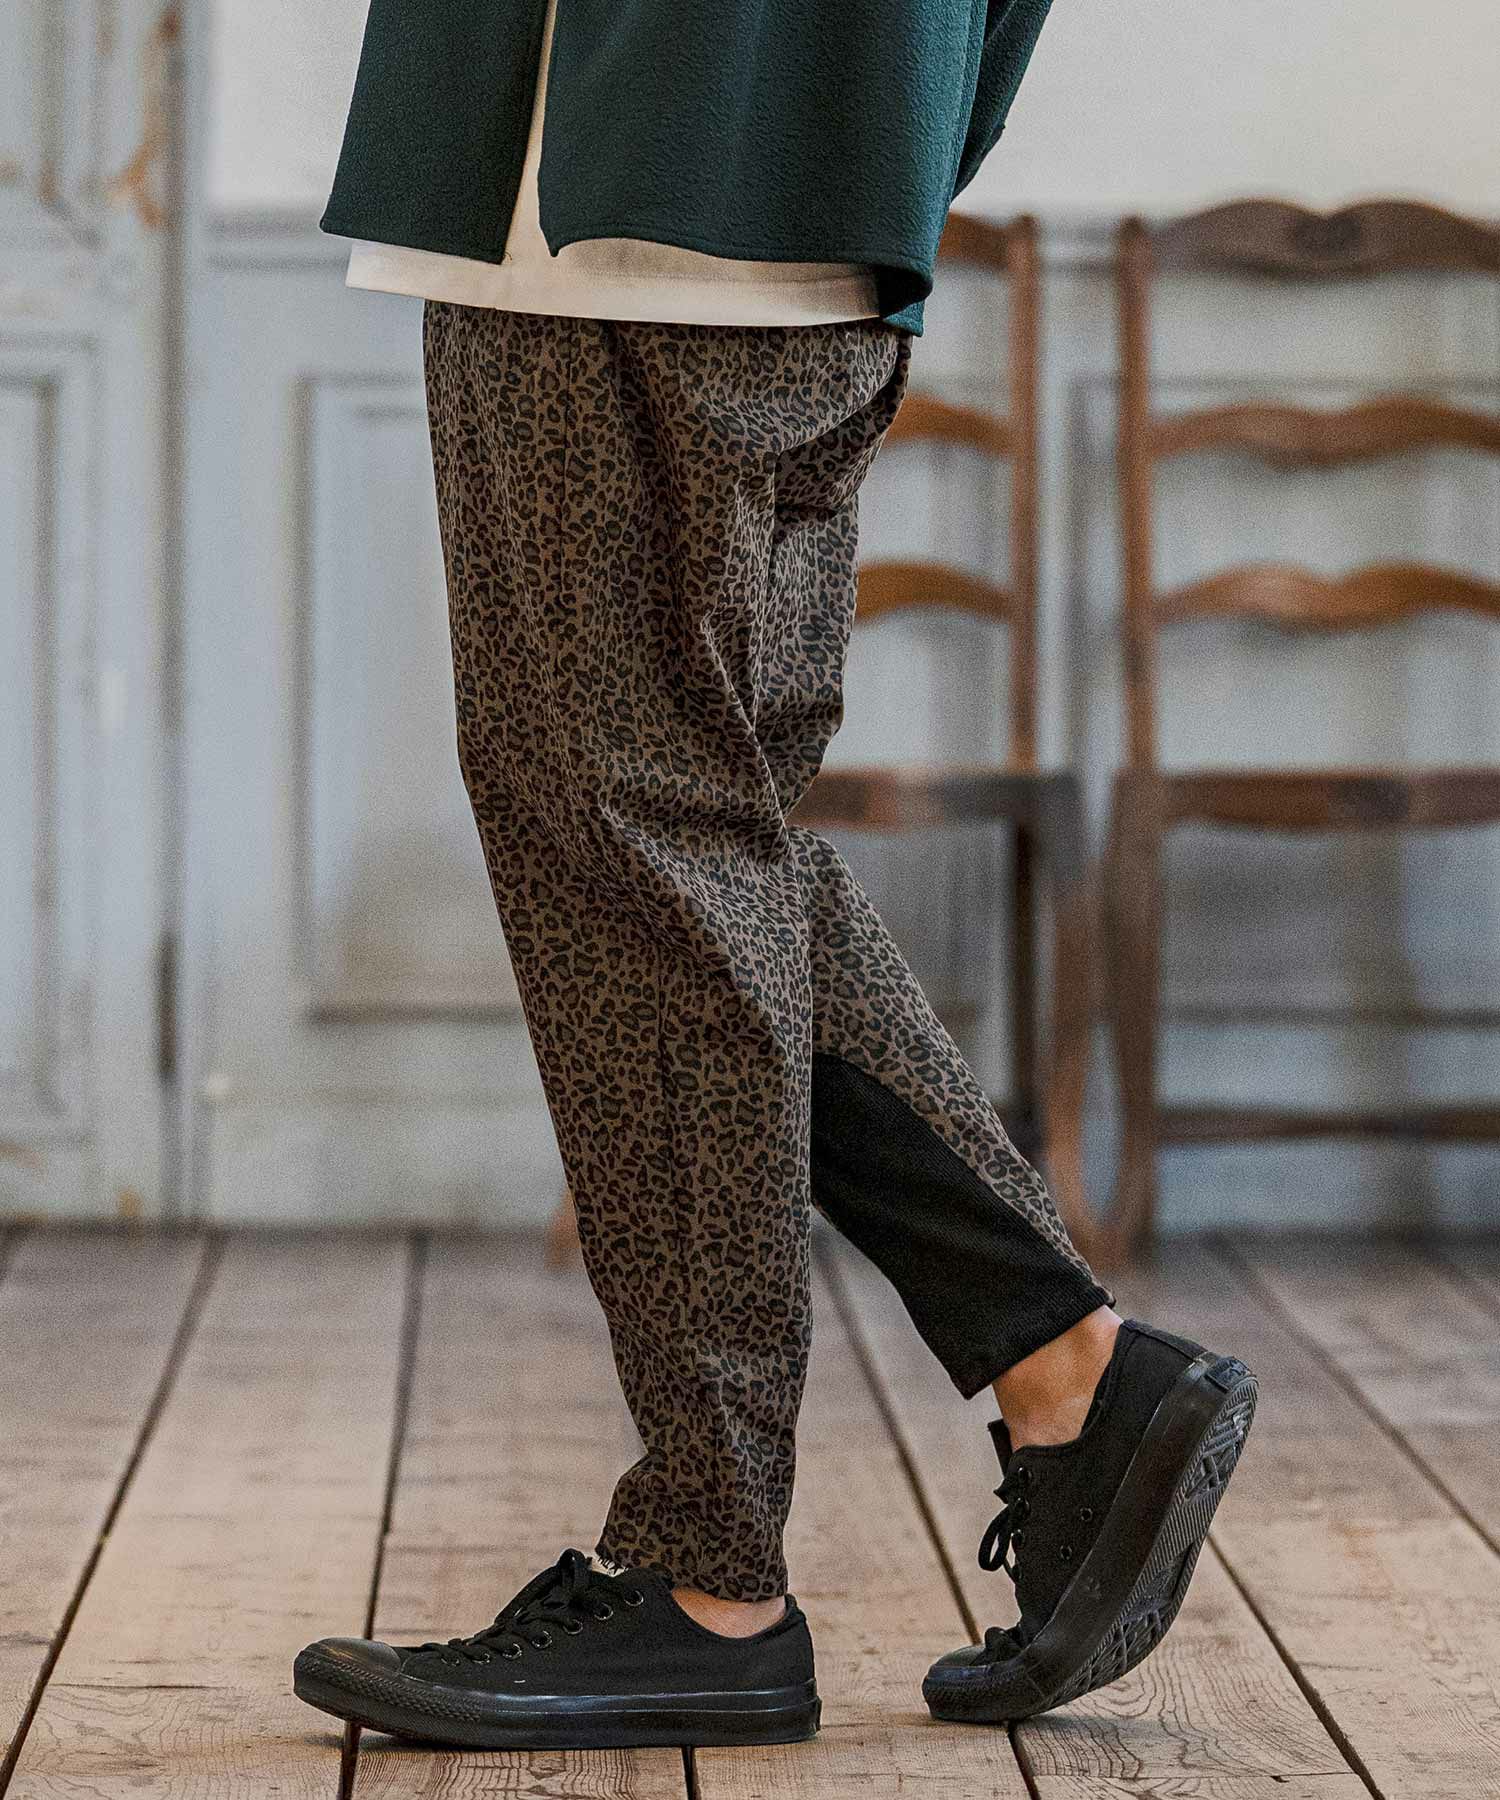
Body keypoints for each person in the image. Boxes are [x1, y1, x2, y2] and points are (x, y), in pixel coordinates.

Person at [292, 0, 1258, 1752]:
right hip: (788, 189)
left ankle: (708, 1580)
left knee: (641, 858)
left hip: (615, 202)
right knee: (700, 843)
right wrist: (894, 141)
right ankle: (1067, 1368)